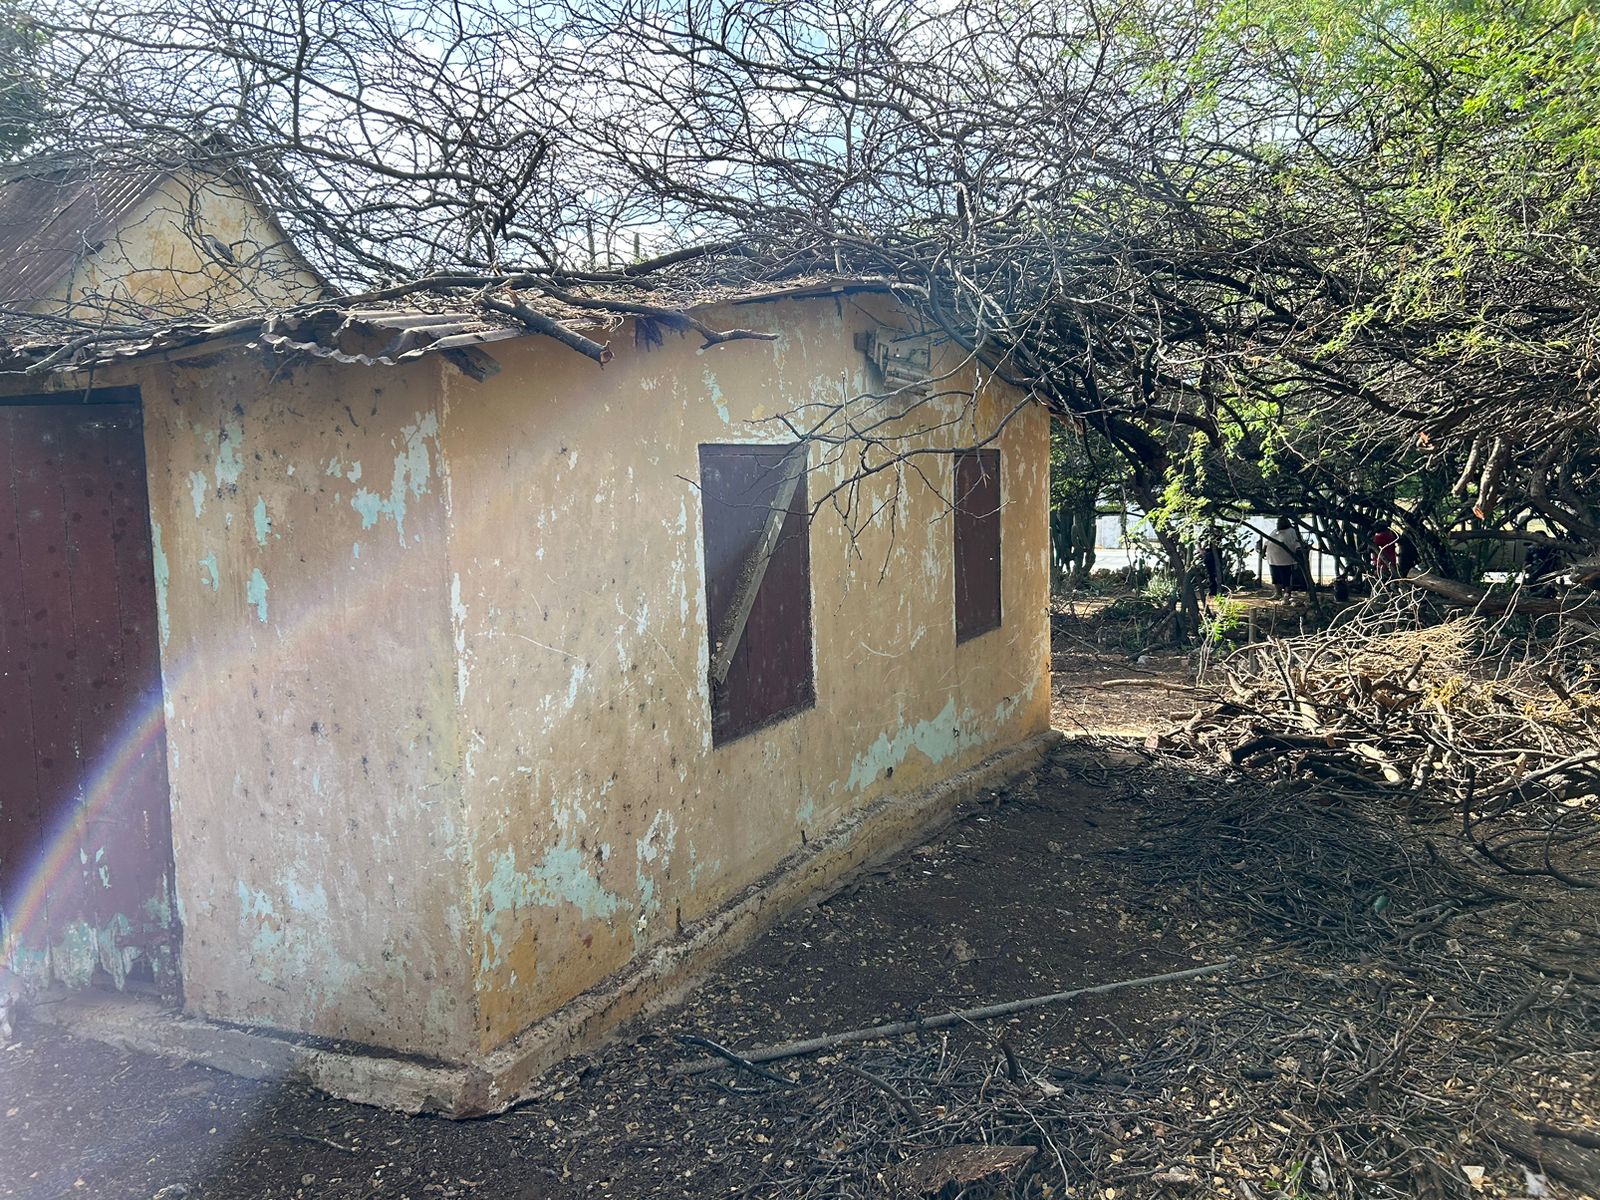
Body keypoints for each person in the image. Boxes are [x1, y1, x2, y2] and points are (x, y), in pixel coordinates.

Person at [1259, 517, 1303, 600]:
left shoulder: (1292, 532)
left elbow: (1298, 546)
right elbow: (1267, 542)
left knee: (1286, 578)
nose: (1278, 524)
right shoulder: (1275, 531)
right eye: (1278, 522)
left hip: (1286, 560)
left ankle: (1287, 594)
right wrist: (1263, 552)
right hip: (1273, 560)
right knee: (1276, 578)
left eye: (1280, 522)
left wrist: (1297, 558)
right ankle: (1278, 593)